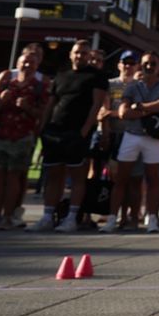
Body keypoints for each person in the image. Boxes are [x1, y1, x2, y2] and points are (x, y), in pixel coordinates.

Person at [35, 40, 107, 231]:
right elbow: (51, 103)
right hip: (55, 130)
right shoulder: (61, 76)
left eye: (84, 53)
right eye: (76, 52)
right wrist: (43, 128)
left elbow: (96, 105)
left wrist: (85, 130)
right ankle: (48, 215)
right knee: (54, 174)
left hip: (77, 132)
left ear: (89, 55)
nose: (79, 56)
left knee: (77, 176)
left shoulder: (97, 76)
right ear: (71, 54)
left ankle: (72, 217)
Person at [0, 44, 49, 228]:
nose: (27, 66)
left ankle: (8, 216)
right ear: (17, 63)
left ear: (37, 65)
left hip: (23, 137)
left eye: (32, 63)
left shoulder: (40, 86)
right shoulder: (6, 82)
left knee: (14, 176)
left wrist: (27, 107)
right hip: (1, 134)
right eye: (24, 62)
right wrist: (2, 101)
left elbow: (43, 114)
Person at [112, 52, 159, 232]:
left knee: (153, 179)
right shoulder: (133, 86)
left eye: (154, 64)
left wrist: (140, 107)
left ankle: (152, 218)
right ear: (141, 65)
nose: (150, 67)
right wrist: (154, 108)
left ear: (158, 66)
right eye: (146, 63)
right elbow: (123, 113)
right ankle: (114, 218)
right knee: (124, 178)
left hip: (153, 137)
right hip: (132, 134)